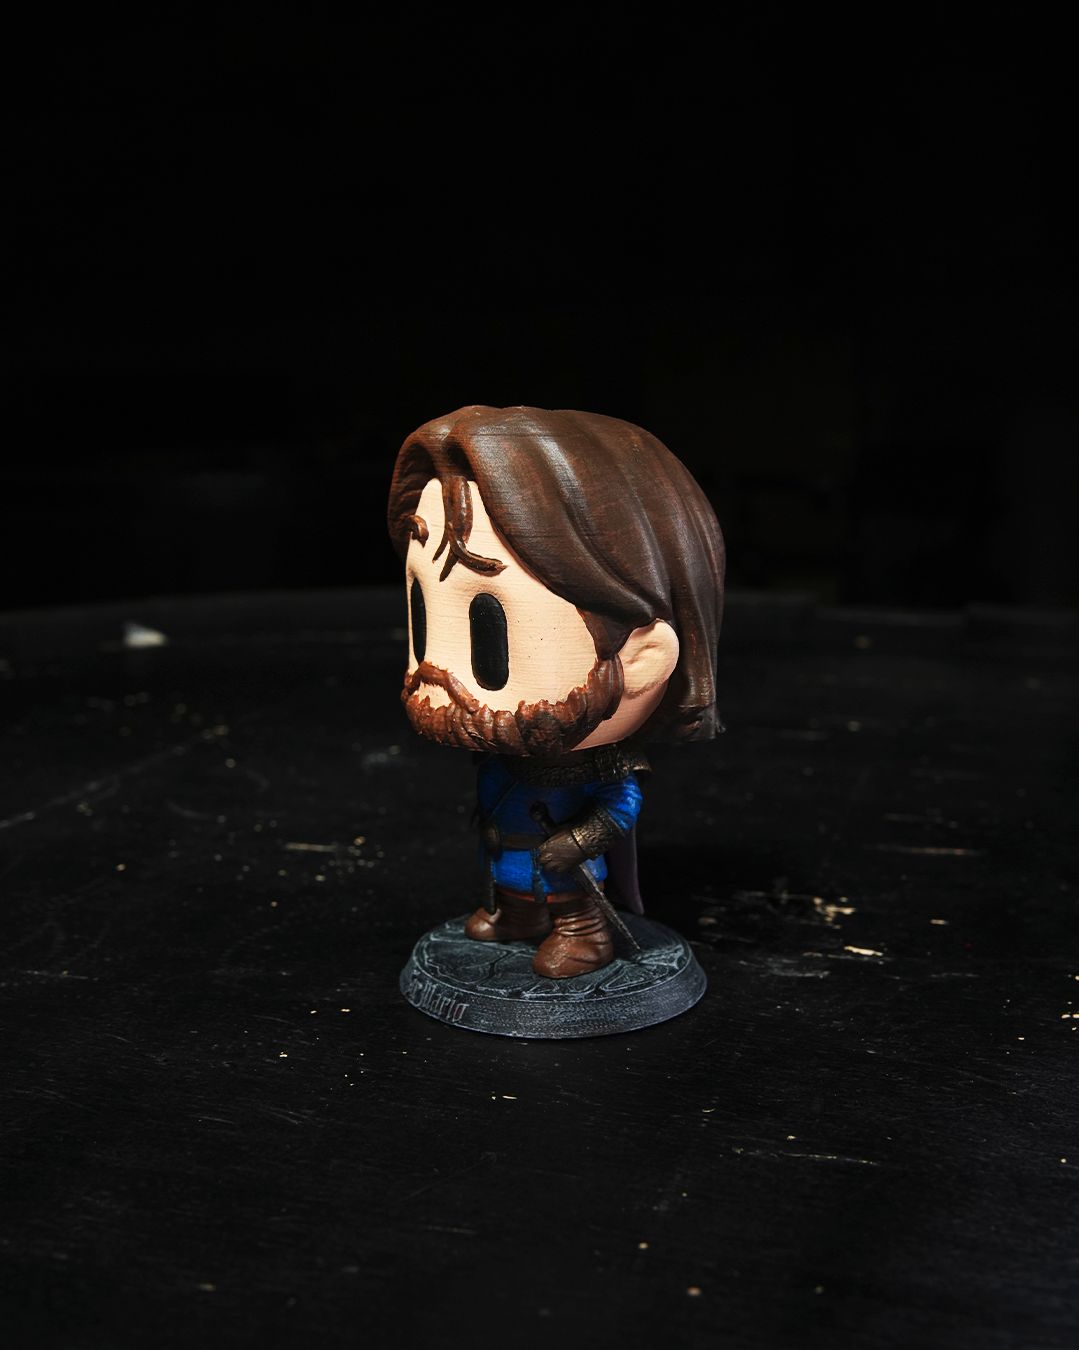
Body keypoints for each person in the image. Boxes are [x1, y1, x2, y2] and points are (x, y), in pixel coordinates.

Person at [387, 405, 724, 978]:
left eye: (490, 633)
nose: (437, 670)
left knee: (567, 895)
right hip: (507, 843)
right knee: (512, 882)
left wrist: (581, 840)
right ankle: (518, 917)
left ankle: (583, 933)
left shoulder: (599, 765)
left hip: (561, 858)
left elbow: (620, 804)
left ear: (643, 659)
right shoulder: (499, 747)